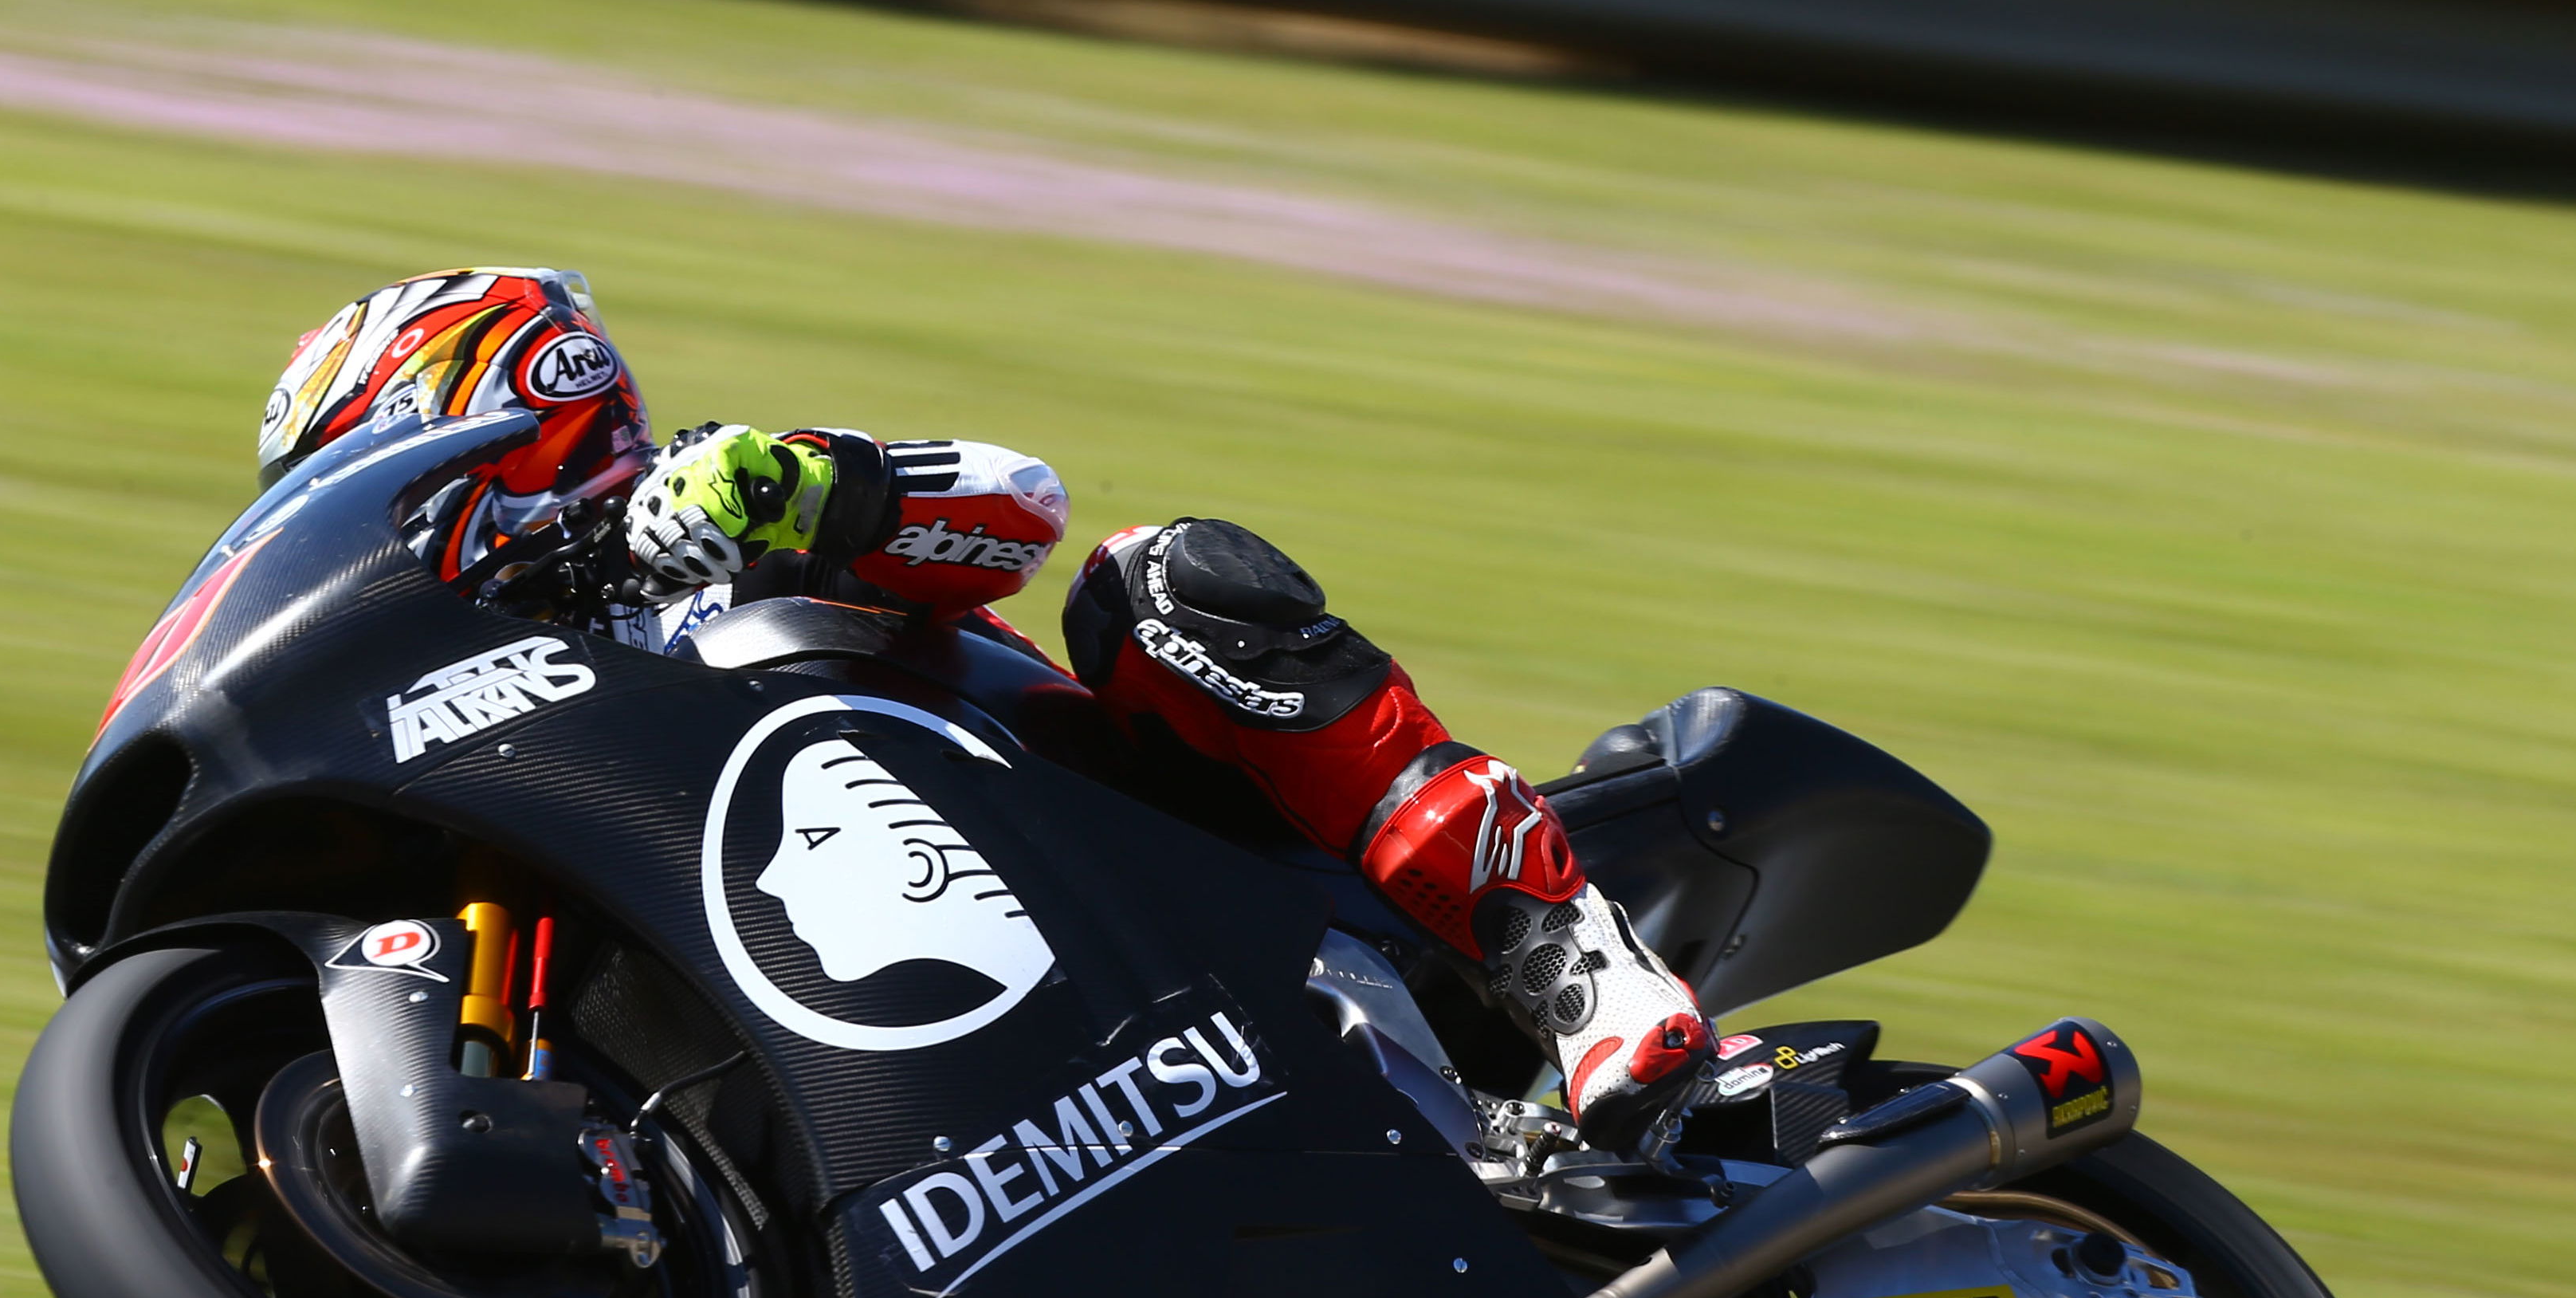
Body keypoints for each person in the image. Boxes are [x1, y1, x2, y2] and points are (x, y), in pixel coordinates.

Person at [255, 266, 1710, 1148]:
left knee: (1151, 586)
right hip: (943, 1032)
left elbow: (1025, 507)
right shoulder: (487, 701)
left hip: (1146, 867)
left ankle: (1572, 967)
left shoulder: (704, 504)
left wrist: (799, 487)